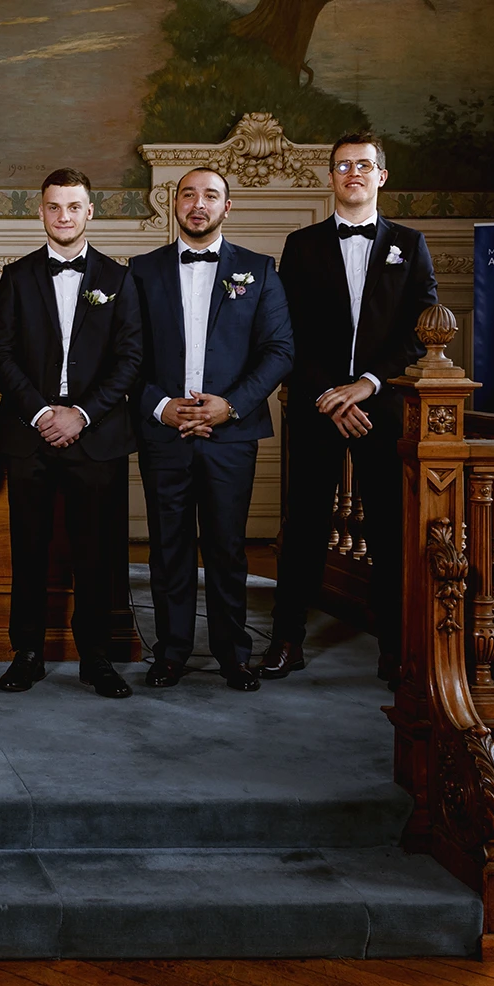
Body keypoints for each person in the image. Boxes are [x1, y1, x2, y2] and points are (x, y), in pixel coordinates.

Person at [260, 134, 438, 687]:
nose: (353, 173)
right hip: (316, 405)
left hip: (380, 407)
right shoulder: (302, 244)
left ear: (381, 176)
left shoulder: (411, 244)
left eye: (364, 165)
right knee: (306, 524)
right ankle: (286, 640)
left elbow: (422, 331)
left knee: (389, 528)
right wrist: (327, 395)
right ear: (331, 177)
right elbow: (288, 332)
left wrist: (364, 385)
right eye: (343, 166)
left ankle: (393, 646)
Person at [128, 168, 293, 693]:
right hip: (165, 434)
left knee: (227, 549)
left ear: (229, 206)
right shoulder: (141, 271)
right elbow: (126, 355)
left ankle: (232, 654)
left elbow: (279, 351)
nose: (198, 204)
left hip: (230, 435)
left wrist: (231, 406)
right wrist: (159, 407)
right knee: (168, 548)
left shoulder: (259, 270)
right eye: (189, 194)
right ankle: (171, 652)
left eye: (211, 196)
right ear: (173, 203)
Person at [0, 167, 142, 699]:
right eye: (54, 207)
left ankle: (96, 657)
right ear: (41, 212)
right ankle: (26, 652)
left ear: (89, 212)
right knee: (28, 549)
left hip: (96, 437)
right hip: (30, 438)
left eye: (74, 207)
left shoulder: (119, 279)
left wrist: (81, 414)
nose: (64, 216)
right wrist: (40, 413)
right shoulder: (16, 276)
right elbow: (0, 354)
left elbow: (130, 360)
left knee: (97, 552)